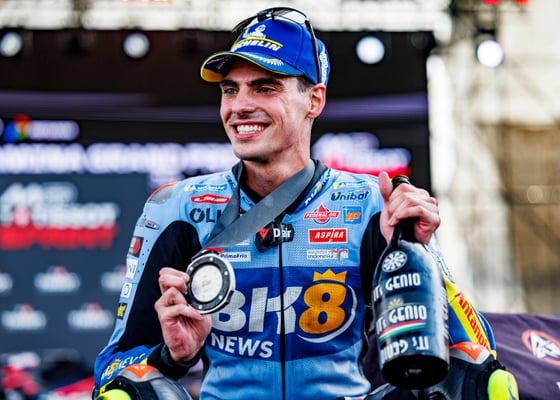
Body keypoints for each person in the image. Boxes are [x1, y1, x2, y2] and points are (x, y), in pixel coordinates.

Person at [92, 7, 503, 400]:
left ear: (314, 100)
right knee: (125, 393)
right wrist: (172, 356)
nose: (240, 106)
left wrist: (421, 253)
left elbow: (477, 353)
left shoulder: (372, 206)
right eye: (230, 90)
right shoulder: (178, 208)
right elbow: (114, 366)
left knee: (479, 384)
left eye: (264, 87)